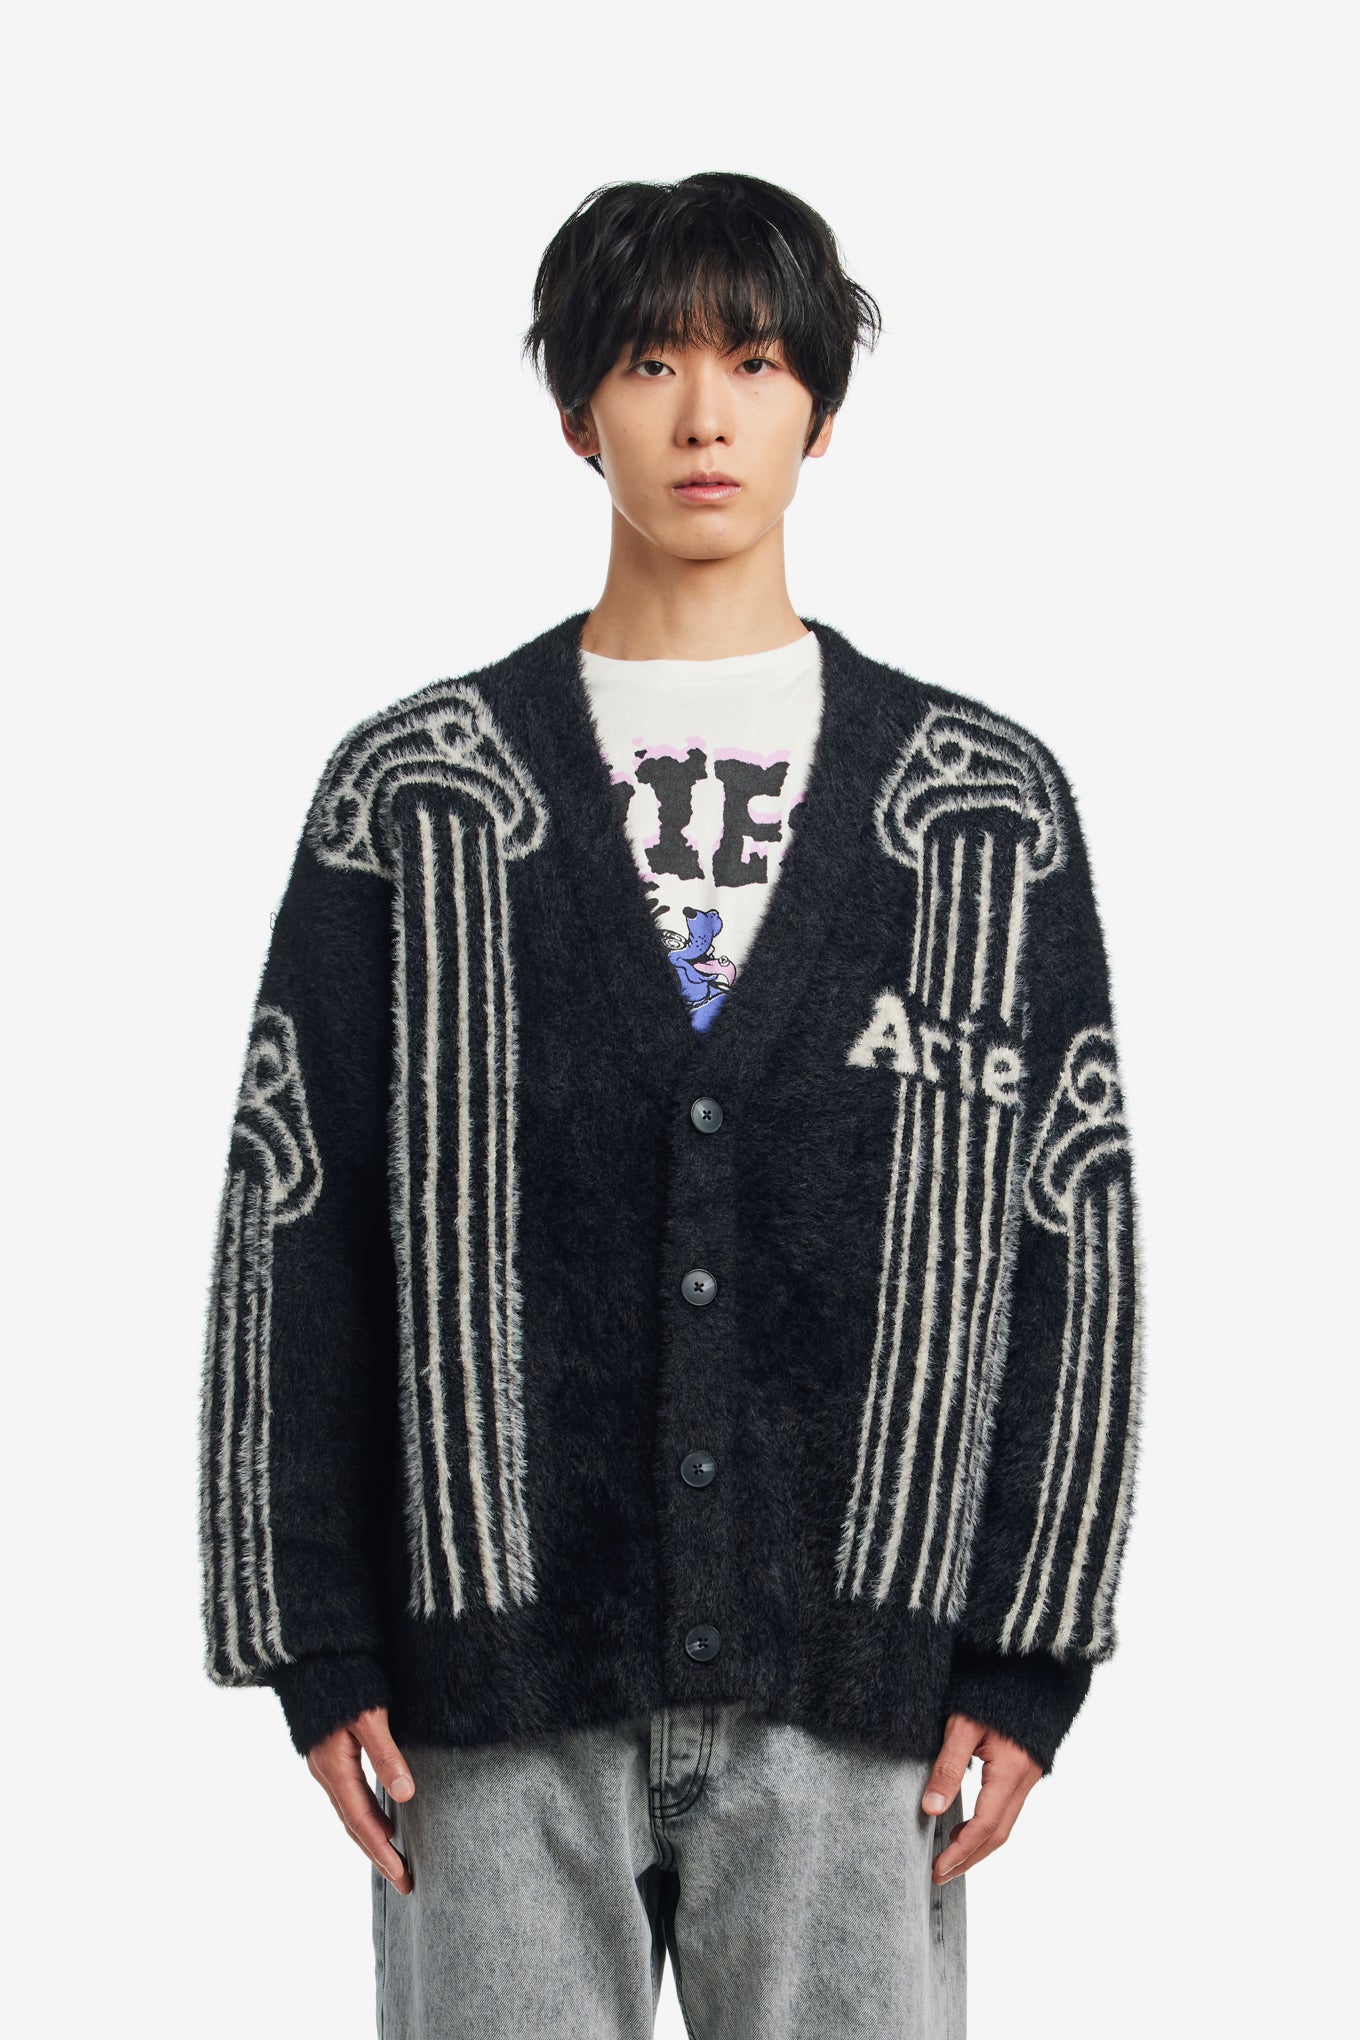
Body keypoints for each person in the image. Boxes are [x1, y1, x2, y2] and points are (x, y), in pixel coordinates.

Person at [198, 170, 1144, 2039]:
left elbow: (1069, 1234)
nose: (705, 414)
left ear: (819, 408)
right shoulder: (415, 795)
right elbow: (293, 1217)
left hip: (856, 1701)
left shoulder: (985, 808)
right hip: (487, 1696)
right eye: (649, 363)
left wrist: (1030, 1654)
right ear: (577, 412)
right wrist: (312, 1635)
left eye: (758, 361)